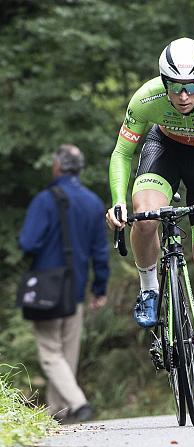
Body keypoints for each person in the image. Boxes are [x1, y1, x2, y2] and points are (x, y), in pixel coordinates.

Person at [106, 37, 194, 402]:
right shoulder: (146, 99)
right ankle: (149, 288)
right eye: (175, 86)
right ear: (163, 81)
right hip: (164, 152)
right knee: (144, 217)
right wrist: (118, 201)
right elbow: (124, 152)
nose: (183, 95)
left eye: (190, 87)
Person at [19, 144, 109, 422]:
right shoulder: (94, 202)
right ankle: (58, 413)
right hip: (77, 288)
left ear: (57, 166)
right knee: (67, 354)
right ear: (79, 169)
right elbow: (100, 252)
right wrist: (99, 288)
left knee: (50, 352)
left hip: (47, 286)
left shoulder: (45, 200)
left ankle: (79, 403)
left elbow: (28, 242)